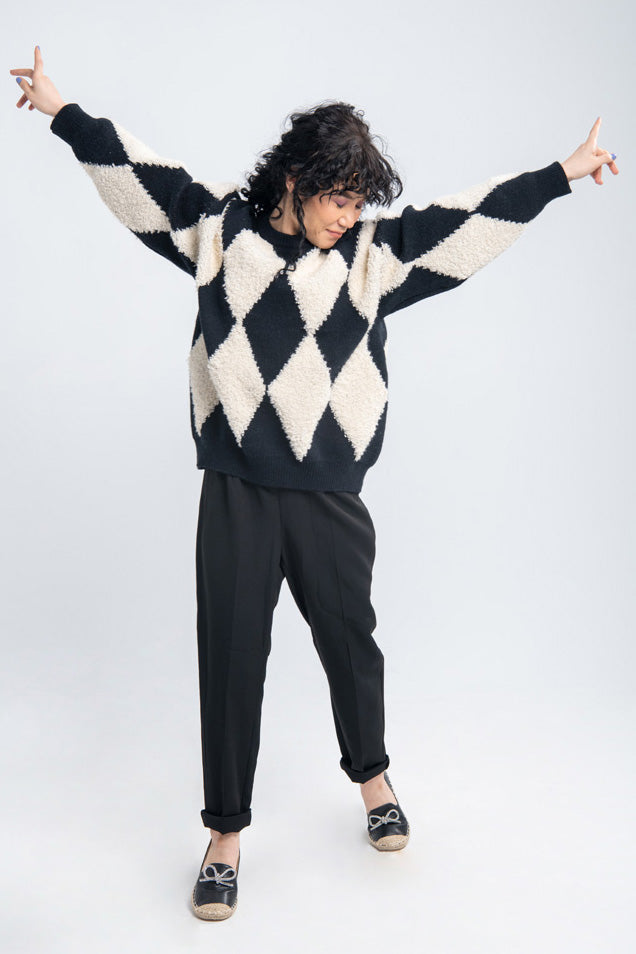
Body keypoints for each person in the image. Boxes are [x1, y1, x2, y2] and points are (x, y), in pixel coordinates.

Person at [11, 45, 618, 922]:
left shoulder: (372, 258)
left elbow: (469, 223)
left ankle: (374, 782)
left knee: (349, 643)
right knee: (230, 659)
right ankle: (224, 838)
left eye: (359, 202)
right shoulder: (219, 234)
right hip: (237, 489)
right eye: (339, 198)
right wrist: (63, 111)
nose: (349, 215)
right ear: (295, 181)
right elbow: (137, 177)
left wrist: (561, 174)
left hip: (330, 495)